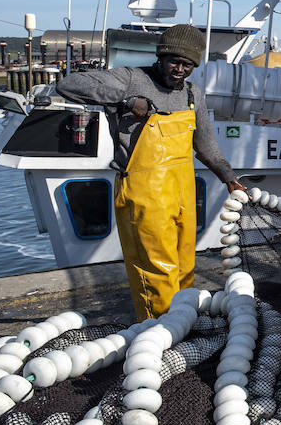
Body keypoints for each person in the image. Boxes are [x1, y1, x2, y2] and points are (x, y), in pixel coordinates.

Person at [55, 25, 245, 320]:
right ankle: (158, 331)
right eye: (174, 61)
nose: (179, 70)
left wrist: (229, 177)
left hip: (182, 192)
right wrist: (127, 102)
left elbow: (205, 143)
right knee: (156, 270)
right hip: (144, 194)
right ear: (161, 57)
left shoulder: (193, 94)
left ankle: (184, 322)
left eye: (187, 65)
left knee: (183, 267)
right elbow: (68, 85)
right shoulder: (132, 79)